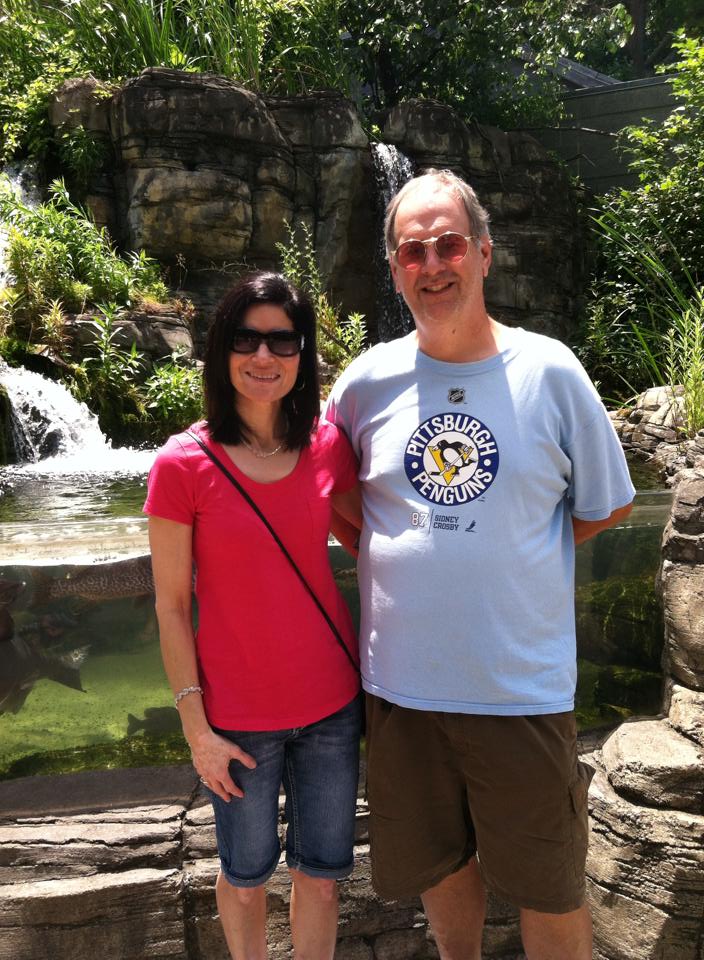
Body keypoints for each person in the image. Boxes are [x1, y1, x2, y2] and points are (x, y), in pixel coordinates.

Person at [325, 170, 635, 960]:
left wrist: (514, 551)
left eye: (449, 245)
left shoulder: (551, 371)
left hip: (518, 691)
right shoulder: (363, 384)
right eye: (413, 251)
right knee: (440, 869)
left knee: (550, 888)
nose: (432, 265)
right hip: (403, 692)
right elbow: (331, 496)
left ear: (485, 253)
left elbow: (606, 505)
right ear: (395, 269)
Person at [144, 271, 362, 960]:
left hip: (332, 706)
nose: (264, 356)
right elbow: (171, 606)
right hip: (236, 720)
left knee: (321, 879)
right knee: (244, 882)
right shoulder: (182, 464)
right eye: (247, 339)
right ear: (221, 349)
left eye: (282, 341)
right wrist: (196, 730)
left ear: (302, 354)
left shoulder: (327, 446)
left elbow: (375, 542)